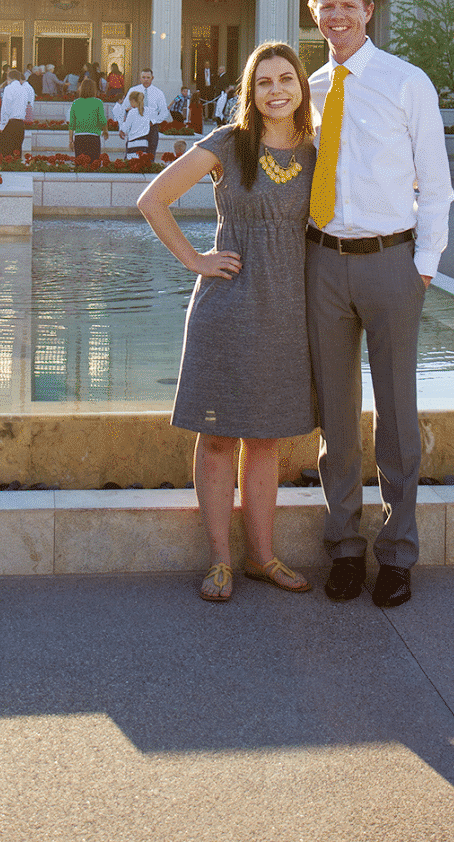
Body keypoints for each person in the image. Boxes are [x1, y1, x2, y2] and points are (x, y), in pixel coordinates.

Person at [138, 42, 317, 604]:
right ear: (250, 91)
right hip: (229, 310)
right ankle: (221, 561)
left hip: (288, 313)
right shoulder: (226, 145)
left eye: (286, 79)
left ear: (301, 87)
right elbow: (153, 199)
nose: (276, 90)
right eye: (264, 82)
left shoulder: (317, 151)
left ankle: (263, 557)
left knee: (265, 442)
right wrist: (195, 259)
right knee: (217, 438)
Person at [305, 0, 453, 610]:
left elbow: (437, 183)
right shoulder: (307, 88)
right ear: (313, 14)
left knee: (395, 413)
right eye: (323, 6)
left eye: (346, 6)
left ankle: (397, 554)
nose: (335, 16)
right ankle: (343, 548)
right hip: (323, 267)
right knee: (336, 419)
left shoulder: (406, 82)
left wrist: (425, 265)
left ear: (368, 11)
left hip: (393, 264)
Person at [129, 68, 170, 159]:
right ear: (140, 78)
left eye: (148, 77)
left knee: (150, 153)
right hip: (136, 127)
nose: (146, 79)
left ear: (152, 78)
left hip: (151, 127)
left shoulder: (158, 93)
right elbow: (125, 107)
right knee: (134, 154)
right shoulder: (133, 90)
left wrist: (153, 121)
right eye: (143, 77)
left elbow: (164, 112)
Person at [68, 76, 108, 163]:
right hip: (93, 137)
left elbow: (72, 124)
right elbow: (102, 120)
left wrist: (70, 140)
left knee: (80, 165)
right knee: (94, 164)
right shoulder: (98, 102)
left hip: (79, 137)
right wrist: (105, 131)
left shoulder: (76, 103)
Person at [0, 67, 34, 158]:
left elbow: (6, 108)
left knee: (6, 151)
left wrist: (2, 125)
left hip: (10, 123)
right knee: (17, 150)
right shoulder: (24, 90)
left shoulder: (8, 89)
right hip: (20, 124)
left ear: (9, 78)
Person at [119, 89, 153, 157]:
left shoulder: (132, 112)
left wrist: (122, 125)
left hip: (133, 142)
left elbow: (126, 128)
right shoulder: (148, 111)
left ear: (132, 101)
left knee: (132, 164)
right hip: (144, 142)